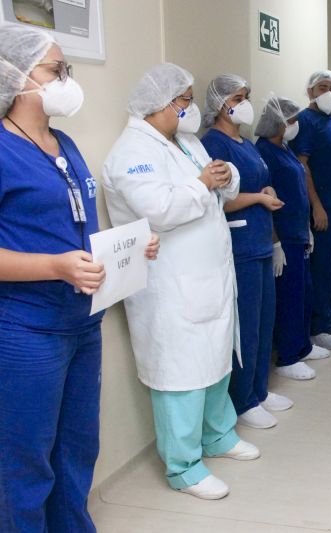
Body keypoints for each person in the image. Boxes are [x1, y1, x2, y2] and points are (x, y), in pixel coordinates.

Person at [0, 24, 158, 531]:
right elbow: (54, 252)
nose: (66, 79)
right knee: (25, 460)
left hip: (82, 323)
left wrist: (130, 246)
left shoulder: (63, 142)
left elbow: (77, 228)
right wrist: (56, 266)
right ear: (14, 76)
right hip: (27, 330)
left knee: (76, 448)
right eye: (55, 70)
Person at [102, 63, 259, 500]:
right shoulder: (131, 153)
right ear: (160, 103)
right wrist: (202, 182)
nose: (191, 109)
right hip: (169, 284)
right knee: (180, 373)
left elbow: (219, 182)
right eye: (185, 100)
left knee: (213, 361)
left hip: (208, 277)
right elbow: (161, 210)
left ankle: (219, 436)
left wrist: (224, 178)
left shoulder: (185, 142)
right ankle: (184, 466)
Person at [200, 74, 294, 427]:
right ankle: (242, 401)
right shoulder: (215, 144)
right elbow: (216, 202)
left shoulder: (245, 142)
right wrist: (258, 197)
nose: (245, 102)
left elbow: (255, 182)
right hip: (238, 244)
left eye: (246, 95)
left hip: (259, 243)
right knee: (245, 327)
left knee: (263, 320)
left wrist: (264, 190)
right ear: (221, 104)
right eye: (239, 97)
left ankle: (260, 391)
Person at [255, 96, 330, 381]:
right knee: (288, 297)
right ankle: (288, 356)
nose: (296, 125)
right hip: (283, 236)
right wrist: (275, 241)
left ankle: (302, 345)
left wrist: (307, 227)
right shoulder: (264, 152)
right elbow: (266, 197)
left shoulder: (284, 148)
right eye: (292, 120)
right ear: (278, 122)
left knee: (303, 293)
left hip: (298, 233)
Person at [289, 69, 331, 351]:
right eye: (321, 87)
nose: (327, 91)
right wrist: (316, 206)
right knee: (321, 268)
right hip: (323, 208)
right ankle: (318, 325)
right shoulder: (306, 122)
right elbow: (302, 165)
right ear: (309, 91)